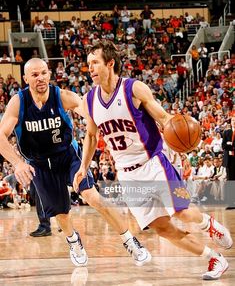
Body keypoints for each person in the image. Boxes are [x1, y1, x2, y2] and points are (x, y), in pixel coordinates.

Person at [73, 41, 233, 280]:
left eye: (95, 62)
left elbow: (164, 117)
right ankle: (214, 258)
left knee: (183, 212)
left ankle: (208, 225)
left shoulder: (134, 89)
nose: (90, 68)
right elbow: (92, 136)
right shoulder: (89, 100)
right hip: (127, 175)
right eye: (88, 64)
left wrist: (182, 136)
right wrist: (83, 167)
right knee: (162, 228)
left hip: (155, 164)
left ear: (110, 63)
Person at [0, 58, 151, 267]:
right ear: (25, 79)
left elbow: (93, 113)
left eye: (44, 73)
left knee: (92, 196)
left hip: (68, 156)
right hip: (39, 164)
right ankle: (73, 240)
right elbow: (1, 136)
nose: (40, 78)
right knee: (61, 213)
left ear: (49, 74)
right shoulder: (19, 102)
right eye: (34, 75)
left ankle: (129, 239)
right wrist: (17, 163)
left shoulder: (62, 96)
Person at [222, 117, 235, 209]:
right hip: (229, 160)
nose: (234, 122)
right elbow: (223, 145)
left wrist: (231, 146)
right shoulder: (227, 132)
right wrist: (230, 146)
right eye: (233, 120)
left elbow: (230, 145)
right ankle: (231, 203)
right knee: (230, 181)